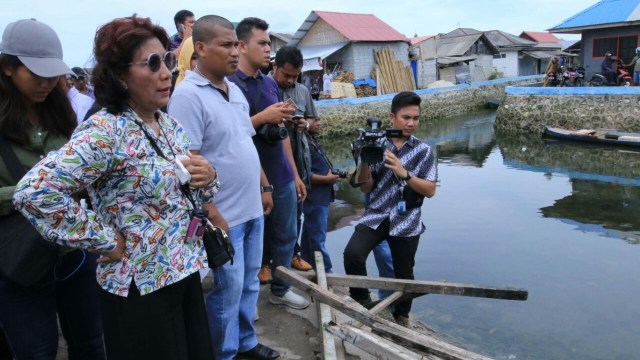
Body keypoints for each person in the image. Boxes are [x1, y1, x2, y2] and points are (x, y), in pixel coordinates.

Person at [13, 15, 218, 359]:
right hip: (139, 287)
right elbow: (33, 193)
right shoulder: (105, 132)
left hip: (183, 270)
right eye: (151, 64)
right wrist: (103, 239)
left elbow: (194, 194)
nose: (166, 72)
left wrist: (209, 177)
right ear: (121, 76)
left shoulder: (169, 125)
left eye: (166, 61)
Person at [168, 15, 279, 360]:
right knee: (227, 291)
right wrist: (212, 213)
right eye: (227, 45)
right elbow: (187, 164)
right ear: (200, 48)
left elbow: (246, 144)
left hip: (251, 208)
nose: (236, 52)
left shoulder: (235, 92)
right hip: (223, 217)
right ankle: (222, 353)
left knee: (247, 285)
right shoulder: (188, 97)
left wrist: (265, 186)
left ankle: (245, 342)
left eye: (237, 45)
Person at [0, 18, 105, 360]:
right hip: (20, 257)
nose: (47, 83)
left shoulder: (62, 115)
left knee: (91, 342)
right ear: (7, 68)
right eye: (36, 73)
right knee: (36, 351)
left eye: (53, 74)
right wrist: (32, 193)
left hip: (74, 252)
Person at [228, 17, 309, 310]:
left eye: (268, 43)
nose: (267, 49)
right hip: (248, 181)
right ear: (242, 46)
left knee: (287, 235)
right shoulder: (229, 85)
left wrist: (295, 173)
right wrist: (263, 118)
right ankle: (245, 304)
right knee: (249, 245)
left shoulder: (269, 84)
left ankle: (280, 288)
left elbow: (282, 133)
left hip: (281, 175)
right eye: (261, 43)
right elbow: (229, 134)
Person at [343, 91, 437, 328]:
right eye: (406, 117)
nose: (411, 123)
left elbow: (430, 190)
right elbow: (366, 187)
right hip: (377, 214)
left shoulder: (424, 150)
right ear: (392, 118)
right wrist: (364, 159)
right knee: (353, 255)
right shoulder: (378, 146)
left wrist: (403, 172)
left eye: (416, 118)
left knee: (405, 273)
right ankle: (362, 301)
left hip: (407, 219)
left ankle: (401, 316)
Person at [270, 45, 317, 272]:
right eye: (285, 75)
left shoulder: (302, 92)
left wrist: (304, 124)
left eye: (294, 76)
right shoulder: (265, 88)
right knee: (270, 212)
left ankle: (293, 254)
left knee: (296, 209)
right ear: (274, 66)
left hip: (299, 156)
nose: (289, 81)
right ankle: (267, 261)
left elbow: (315, 124)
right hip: (271, 158)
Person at [300, 117, 341, 272]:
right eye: (314, 119)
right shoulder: (304, 144)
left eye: (319, 119)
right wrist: (327, 179)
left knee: (309, 233)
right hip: (315, 197)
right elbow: (304, 174)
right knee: (318, 237)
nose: (319, 123)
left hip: (321, 196)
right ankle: (326, 272)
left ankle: (306, 261)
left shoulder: (310, 140)